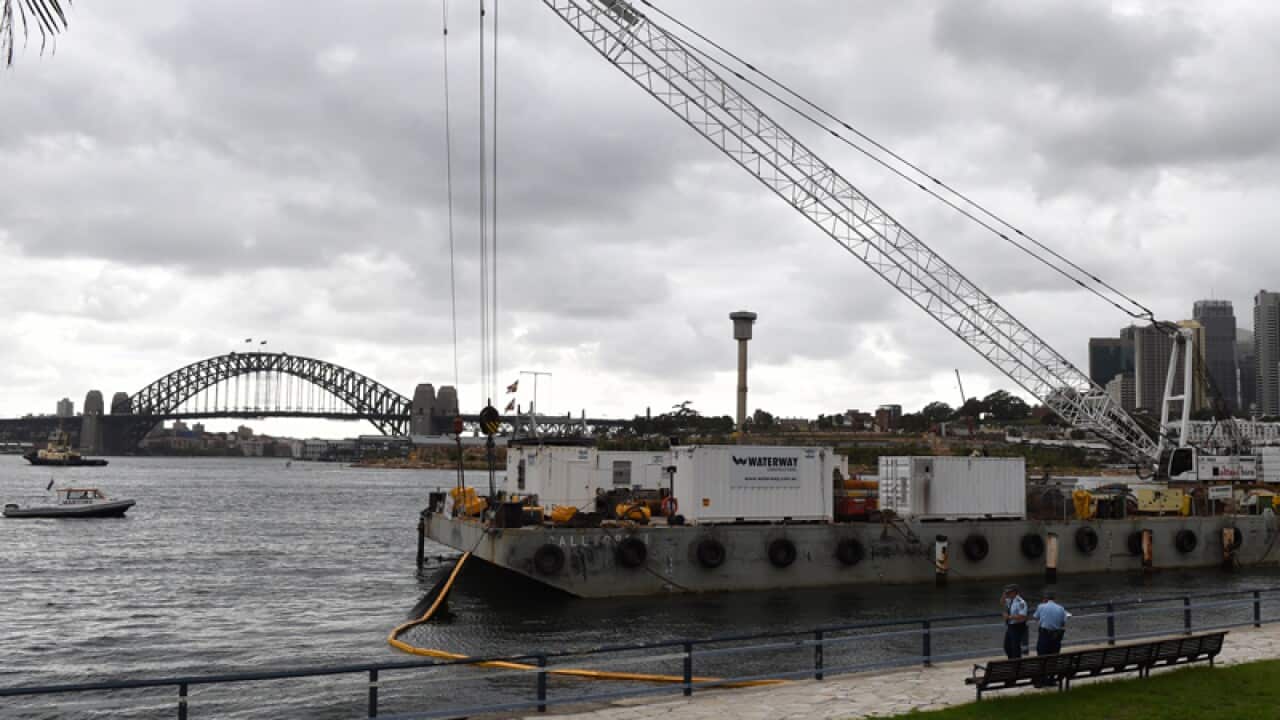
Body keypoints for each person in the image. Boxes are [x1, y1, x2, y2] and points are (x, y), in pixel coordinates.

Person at [1034, 590, 1068, 656]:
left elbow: (1035, 617)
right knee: (1054, 657)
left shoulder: (1041, 606)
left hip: (1044, 635)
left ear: (1045, 599)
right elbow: (1062, 623)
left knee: (1042, 655)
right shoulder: (1061, 608)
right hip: (1056, 637)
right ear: (1054, 599)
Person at [1001, 584, 1028, 659]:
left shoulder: (1021, 602)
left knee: (1015, 647)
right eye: (1007, 592)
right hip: (1010, 626)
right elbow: (1002, 602)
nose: (1008, 594)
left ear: (1014, 592)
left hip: (1017, 627)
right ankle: (1012, 661)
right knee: (1007, 646)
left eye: (1009, 592)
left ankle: (1016, 663)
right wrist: (1004, 594)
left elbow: (1023, 616)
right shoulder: (1009, 600)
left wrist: (1009, 617)